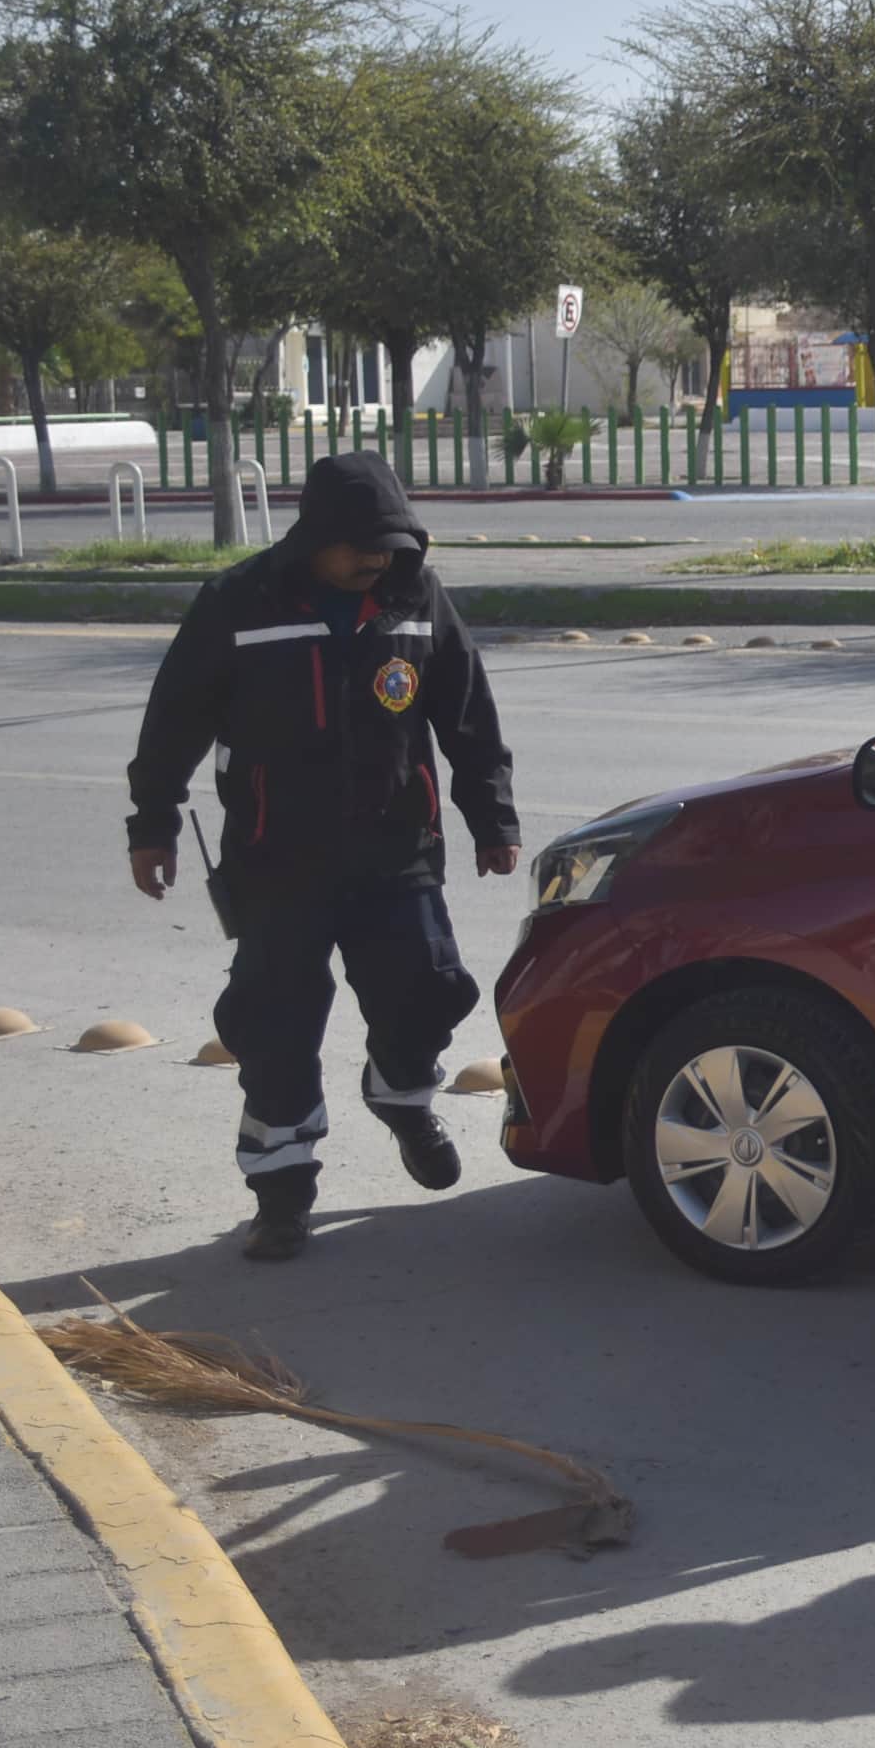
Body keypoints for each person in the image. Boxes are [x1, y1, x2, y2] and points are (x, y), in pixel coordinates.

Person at [123, 452, 519, 1262]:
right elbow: (173, 721)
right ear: (316, 540)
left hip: (396, 849)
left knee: (428, 989)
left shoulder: (416, 597)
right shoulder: (239, 601)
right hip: (276, 861)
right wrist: (153, 824)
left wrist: (492, 817)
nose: (377, 557)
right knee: (274, 1026)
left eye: (391, 541)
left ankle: (401, 1096)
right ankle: (282, 1193)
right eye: (362, 544)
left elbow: (467, 714)